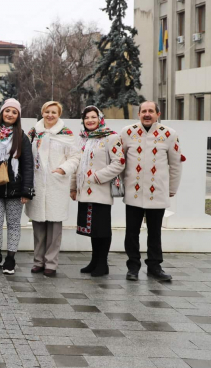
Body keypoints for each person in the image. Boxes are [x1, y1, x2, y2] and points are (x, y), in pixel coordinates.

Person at [121, 101, 184, 282]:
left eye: (151, 111)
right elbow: (120, 160)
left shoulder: (169, 134)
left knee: (154, 232)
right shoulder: (127, 132)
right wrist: (121, 184)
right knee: (131, 232)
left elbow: (176, 164)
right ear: (139, 114)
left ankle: (154, 267)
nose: (147, 114)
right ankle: (133, 267)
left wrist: (172, 188)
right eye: (144, 111)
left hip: (157, 192)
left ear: (158, 113)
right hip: (133, 192)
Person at [26, 101, 80, 277]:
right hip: (38, 184)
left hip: (57, 184)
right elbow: (26, 155)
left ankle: (51, 263)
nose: (50, 115)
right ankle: (38, 261)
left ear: (59, 114)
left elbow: (75, 156)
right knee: (38, 227)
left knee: (55, 228)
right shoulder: (34, 132)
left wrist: (63, 169)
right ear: (42, 112)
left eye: (54, 112)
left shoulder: (66, 133)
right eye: (47, 111)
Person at [70, 106, 125, 277]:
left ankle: (102, 263)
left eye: (93, 117)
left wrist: (98, 176)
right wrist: (73, 186)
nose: (90, 120)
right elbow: (76, 163)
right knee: (92, 229)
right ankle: (94, 261)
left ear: (100, 119)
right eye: (87, 117)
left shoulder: (111, 137)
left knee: (101, 228)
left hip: (100, 189)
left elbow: (119, 162)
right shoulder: (82, 139)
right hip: (84, 190)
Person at [0, 98, 34, 275]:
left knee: (14, 224)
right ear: (2, 112)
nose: (10, 114)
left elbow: (28, 165)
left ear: (18, 115)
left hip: (15, 188)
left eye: (14, 112)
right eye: (7, 111)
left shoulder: (22, 137)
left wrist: (27, 190)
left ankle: (11, 258)